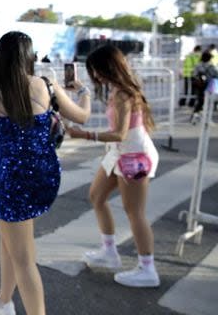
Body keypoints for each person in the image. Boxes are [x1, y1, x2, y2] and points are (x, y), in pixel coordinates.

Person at [0, 31, 92, 315]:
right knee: (10, 239)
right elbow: (82, 116)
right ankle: (3, 300)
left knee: (24, 260)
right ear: (29, 57)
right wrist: (83, 91)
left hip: (13, 181)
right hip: (45, 175)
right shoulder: (46, 85)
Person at [66, 44, 160, 288]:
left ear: (110, 67)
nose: (95, 75)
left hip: (133, 154)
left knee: (134, 212)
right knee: (96, 197)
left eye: (97, 69)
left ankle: (148, 269)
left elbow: (119, 133)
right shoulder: (119, 89)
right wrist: (82, 90)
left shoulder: (122, 94)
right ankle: (109, 253)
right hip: (121, 153)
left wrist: (83, 135)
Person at [190, 50, 218, 124]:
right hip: (209, 85)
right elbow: (215, 74)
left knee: (200, 100)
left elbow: (193, 74)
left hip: (199, 85)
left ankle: (195, 115)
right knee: (209, 101)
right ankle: (206, 118)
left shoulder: (198, 65)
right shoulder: (211, 66)